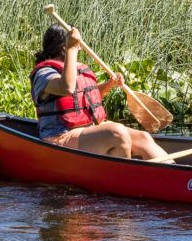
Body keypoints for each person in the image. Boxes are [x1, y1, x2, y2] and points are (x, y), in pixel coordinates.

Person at [30, 24, 168, 160]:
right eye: (77, 42)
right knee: (116, 133)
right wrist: (71, 50)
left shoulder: (76, 67)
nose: (80, 46)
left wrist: (109, 85)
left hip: (90, 129)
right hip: (60, 136)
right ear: (63, 46)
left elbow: (85, 100)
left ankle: (174, 173)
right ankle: (125, 177)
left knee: (143, 138)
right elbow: (67, 88)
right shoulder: (44, 73)